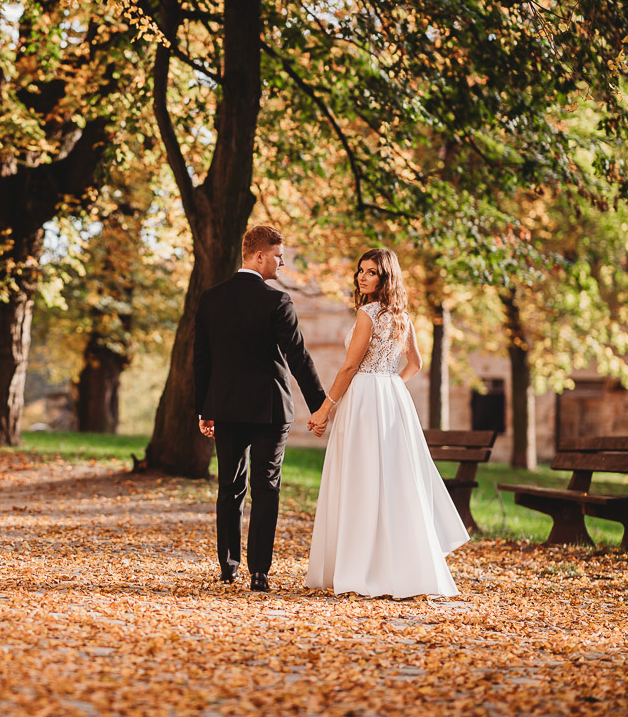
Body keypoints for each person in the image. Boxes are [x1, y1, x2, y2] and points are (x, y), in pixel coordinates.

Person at [305, 248, 468, 598]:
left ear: (385, 277)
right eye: (361, 271)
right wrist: (390, 385)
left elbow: (349, 368)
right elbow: (416, 363)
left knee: (363, 477)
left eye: (372, 272)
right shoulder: (401, 316)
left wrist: (324, 409)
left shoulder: (367, 313)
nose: (363, 277)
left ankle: (361, 569)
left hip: (365, 399)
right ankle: (394, 567)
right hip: (390, 400)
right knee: (392, 479)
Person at [194, 225, 327, 592]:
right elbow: (297, 357)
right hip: (270, 410)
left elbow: (201, 360)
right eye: (278, 255)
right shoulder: (277, 301)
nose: (282, 262)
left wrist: (204, 409)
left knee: (230, 487)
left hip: (225, 408)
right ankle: (259, 573)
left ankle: (227, 566)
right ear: (259, 256)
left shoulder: (210, 299)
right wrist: (320, 405)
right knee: (266, 489)